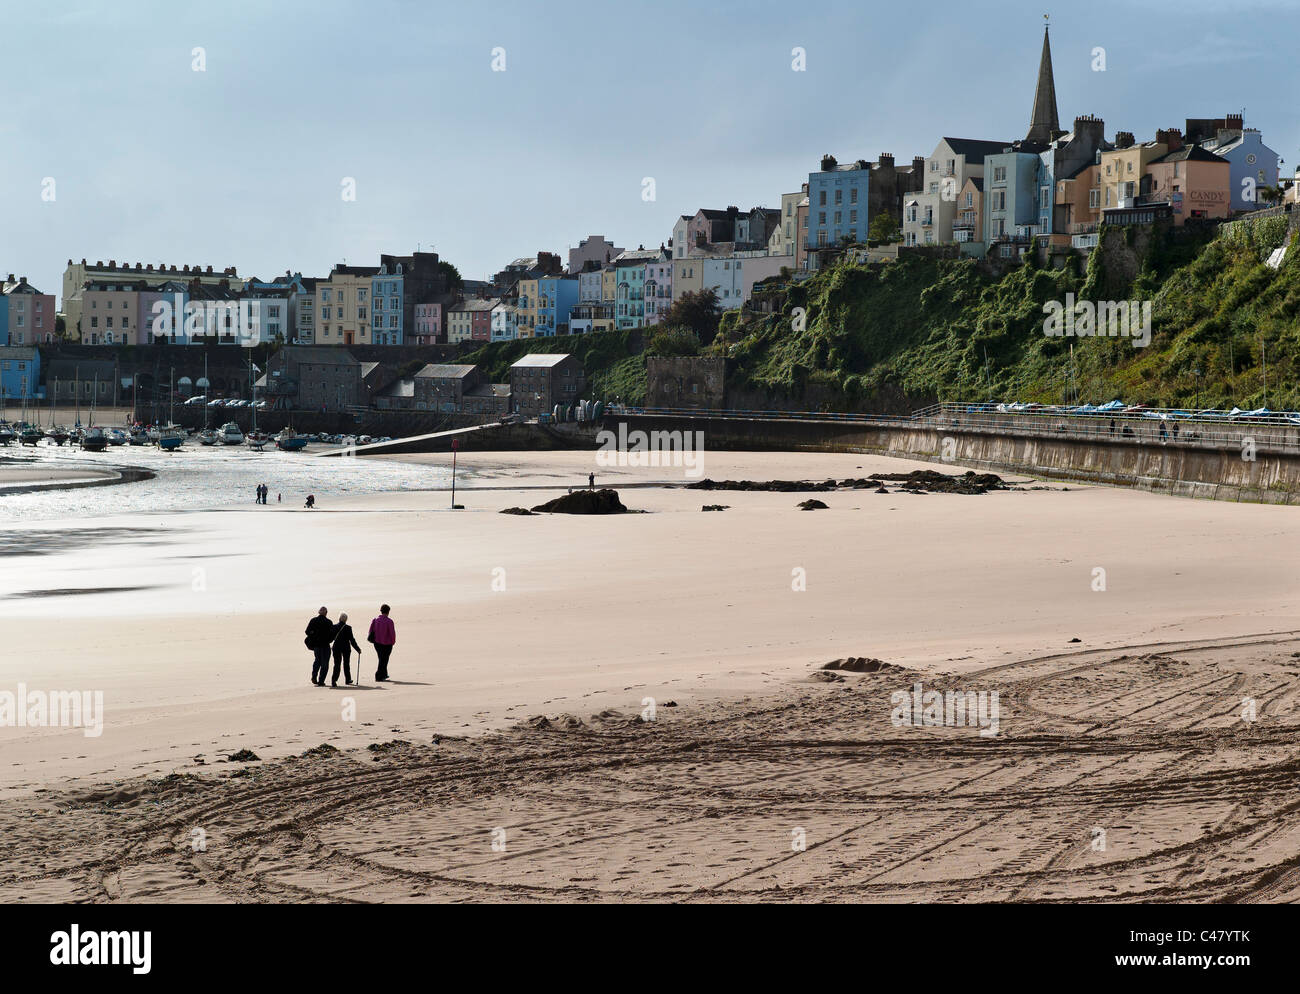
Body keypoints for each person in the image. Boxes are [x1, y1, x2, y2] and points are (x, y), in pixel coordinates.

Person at [305, 606, 335, 686]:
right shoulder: (329, 622)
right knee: (325, 664)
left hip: (317, 646)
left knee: (317, 661)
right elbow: (332, 636)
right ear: (326, 613)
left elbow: (307, 631)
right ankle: (321, 681)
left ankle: (314, 676)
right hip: (325, 645)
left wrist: (314, 636)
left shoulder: (313, 620)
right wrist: (329, 640)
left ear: (319, 612)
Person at [330, 612, 361, 687]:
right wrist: (357, 649)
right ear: (346, 620)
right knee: (346, 664)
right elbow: (352, 640)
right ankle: (348, 679)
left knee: (337, 664)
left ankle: (334, 680)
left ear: (339, 618)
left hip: (336, 647)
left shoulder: (334, 627)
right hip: (346, 648)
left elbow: (330, 638)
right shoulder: (348, 628)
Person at [368, 604, 396, 682]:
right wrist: (393, 641)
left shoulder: (375, 620)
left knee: (381, 659)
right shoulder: (389, 621)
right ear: (388, 612)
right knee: (384, 660)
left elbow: (370, 631)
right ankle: (378, 675)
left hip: (377, 643)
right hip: (387, 644)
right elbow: (392, 633)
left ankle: (383, 674)